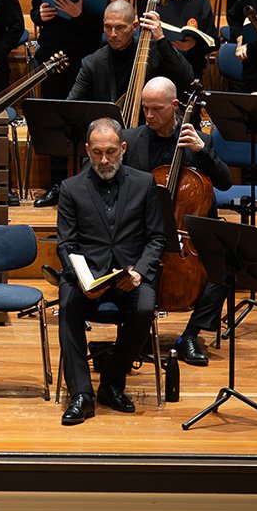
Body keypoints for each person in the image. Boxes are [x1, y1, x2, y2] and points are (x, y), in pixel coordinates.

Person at [56, 118, 164, 425]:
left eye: (112, 152)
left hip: (131, 275)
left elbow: (157, 237)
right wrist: (84, 279)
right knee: (68, 306)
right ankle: (81, 394)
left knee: (144, 308)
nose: (105, 160)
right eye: (98, 152)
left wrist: (140, 272)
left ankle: (112, 383)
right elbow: (66, 243)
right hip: (88, 277)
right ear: (87, 150)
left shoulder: (144, 183)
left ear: (123, 149)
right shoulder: (71, 188)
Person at [123, 77, 229, 366]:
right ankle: (139, 329)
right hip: (144, 231)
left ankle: (190, 336)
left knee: (225, 269)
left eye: (156, 109)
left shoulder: (198, 141)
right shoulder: (131, 141)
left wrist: (201, 151)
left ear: (175, 106)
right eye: (145, 108)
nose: (149, 116)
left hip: (189, 233)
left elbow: (225, 182)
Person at [65, 0, 195, 109]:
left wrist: (161, 39)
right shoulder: (93, 62)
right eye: (108, 27)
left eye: (120, 27)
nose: (113, 34)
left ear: (134, 26)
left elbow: (186, 78)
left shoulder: (154, 51)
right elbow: (70, 105)